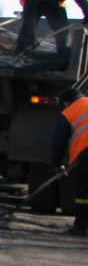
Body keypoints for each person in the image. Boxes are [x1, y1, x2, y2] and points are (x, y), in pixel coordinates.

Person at [13, 0, 88, 60]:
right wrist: (33, 37)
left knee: (63, 30)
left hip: (55, 6)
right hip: (36, 7)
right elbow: (30, 17)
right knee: (27, 32)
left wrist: (86, 11)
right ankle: (18, 56)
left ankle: (63, 57)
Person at [50, 87, 88, 235]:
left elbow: (59, 140)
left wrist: (57, 163)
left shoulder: (69, 112)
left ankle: (81, 226)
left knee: (84, 191)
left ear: (67, 102)